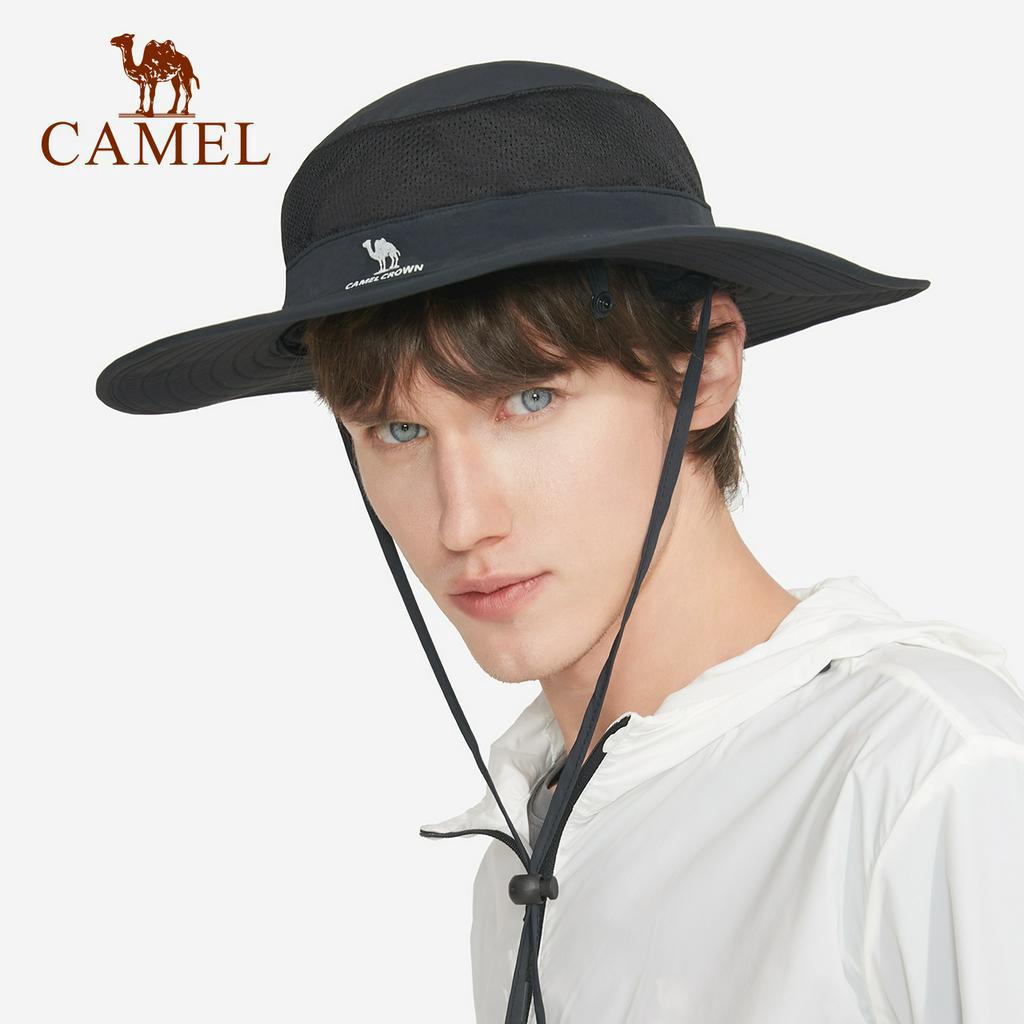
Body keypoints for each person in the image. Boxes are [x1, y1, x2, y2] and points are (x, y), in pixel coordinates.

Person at [95, 60, 1024, 1022]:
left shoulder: (930, 779)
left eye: (529, 401)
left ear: (704, 370)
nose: (462, 522)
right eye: (398, 430)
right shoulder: (534, 831)